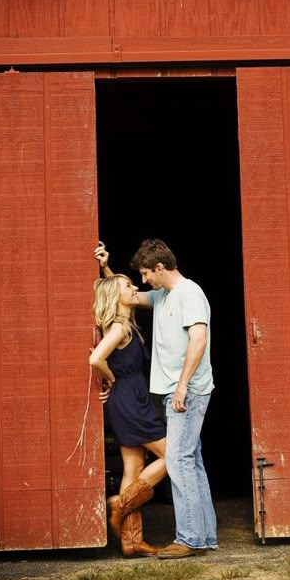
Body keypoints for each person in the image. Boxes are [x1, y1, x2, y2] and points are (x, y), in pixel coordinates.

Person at [94, 239, 218, 559]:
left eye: (146, 273)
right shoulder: (163, 296)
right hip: (159, 394)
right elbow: (124, 294)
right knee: (188, 463)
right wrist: (106, 267)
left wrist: (181, 386)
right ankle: (200, 536)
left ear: (160, 269)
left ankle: (187, 537)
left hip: (185, 391)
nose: (142, 281)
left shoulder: (188, 294)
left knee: (177, 462)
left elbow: (198, 340)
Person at [89, 273, 167, 557]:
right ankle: (120, 504)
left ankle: (132, 541)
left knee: (133, 470)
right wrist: (110, 379)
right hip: (130, 401)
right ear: (115, 296)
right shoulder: (120, 328)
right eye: (129, 286)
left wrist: (108, 267)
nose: (136, 288)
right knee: (174, 457)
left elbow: (120, 286)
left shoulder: (125, 324)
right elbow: (96, 358)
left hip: (130, 400)